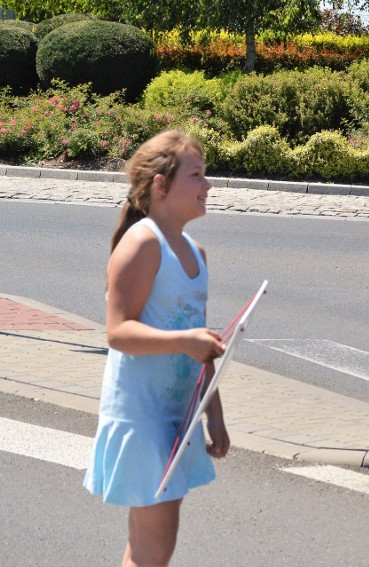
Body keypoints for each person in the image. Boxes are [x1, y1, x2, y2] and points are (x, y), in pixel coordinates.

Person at [83, 130, 230, 567]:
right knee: (154, 549)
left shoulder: (197, 253)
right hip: (142, 414)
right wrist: (185, 341)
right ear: (161, 186)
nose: (208, 186)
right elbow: (117, 332)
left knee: (148, 547)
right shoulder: (144, 242)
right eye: (197, 175)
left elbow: (199, 342)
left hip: (177, 417)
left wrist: (214, 415)